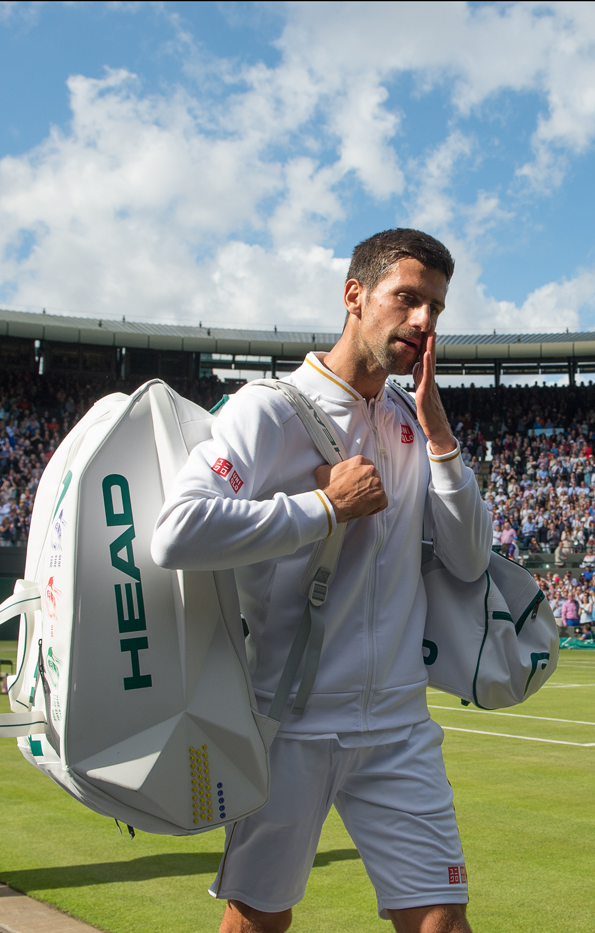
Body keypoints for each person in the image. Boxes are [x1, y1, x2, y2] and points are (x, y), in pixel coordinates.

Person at [152, 229, 490, 933]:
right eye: (408, 299)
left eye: (436, 307)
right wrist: (323, 507)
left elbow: (467, 558)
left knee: (442, 924)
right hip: (291, 723)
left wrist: (440, 437)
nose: (424, 322)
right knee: (258, 922)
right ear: (355, 295)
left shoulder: (409, 418)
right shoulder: (268, 409)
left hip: (399, 724)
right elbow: (176, 533)